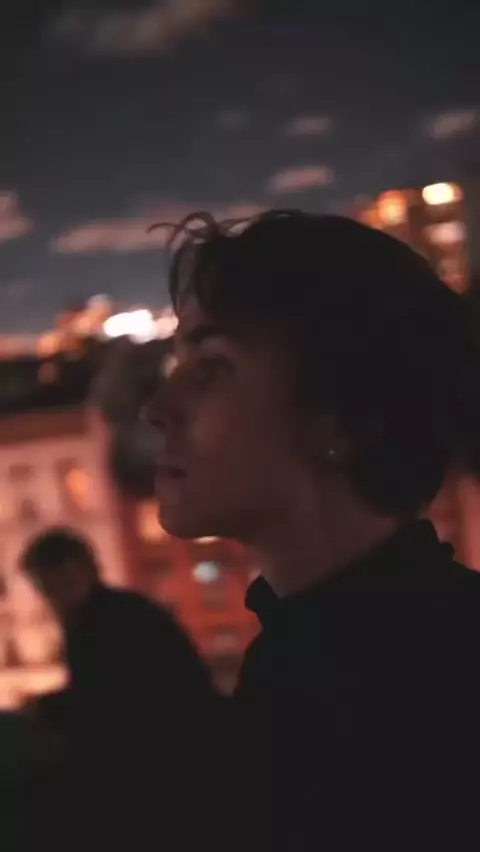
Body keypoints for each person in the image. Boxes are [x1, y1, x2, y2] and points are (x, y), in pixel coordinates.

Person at [146, 210, 480, 849]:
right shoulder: (297, 664)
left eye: (212, 367)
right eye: (176, 364)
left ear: (346, 424)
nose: (157, 408)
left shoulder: (405, 699)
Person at [22, 527, 217, 851]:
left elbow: (112, 699)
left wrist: (45, 708)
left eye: (61, 583)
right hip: (170, 763)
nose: (56, 595)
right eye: (48, 587)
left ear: (87, 571)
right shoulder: (110, 613)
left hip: (160, 769)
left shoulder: (105, 621)